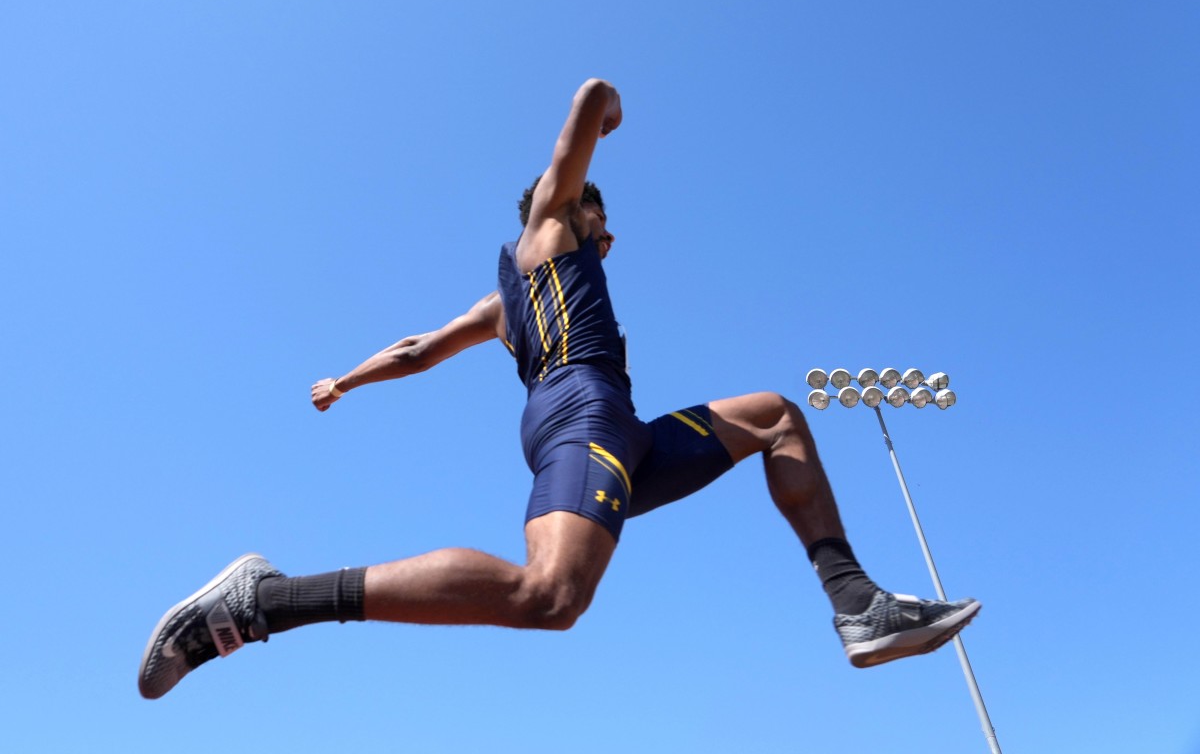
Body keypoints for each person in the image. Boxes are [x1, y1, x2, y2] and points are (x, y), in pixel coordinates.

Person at [138, 78, 980, 700]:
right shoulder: (549, 224)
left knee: (775, 416)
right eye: (600, 221)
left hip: (619, 425)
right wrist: (606, 100)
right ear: (575, 209)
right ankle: (268, 602)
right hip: (583, 412)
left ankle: (856, 603)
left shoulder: (501, 301)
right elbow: (579, 118)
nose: (608, 238)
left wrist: (347, 382)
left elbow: (421, 350)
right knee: (550, 597)